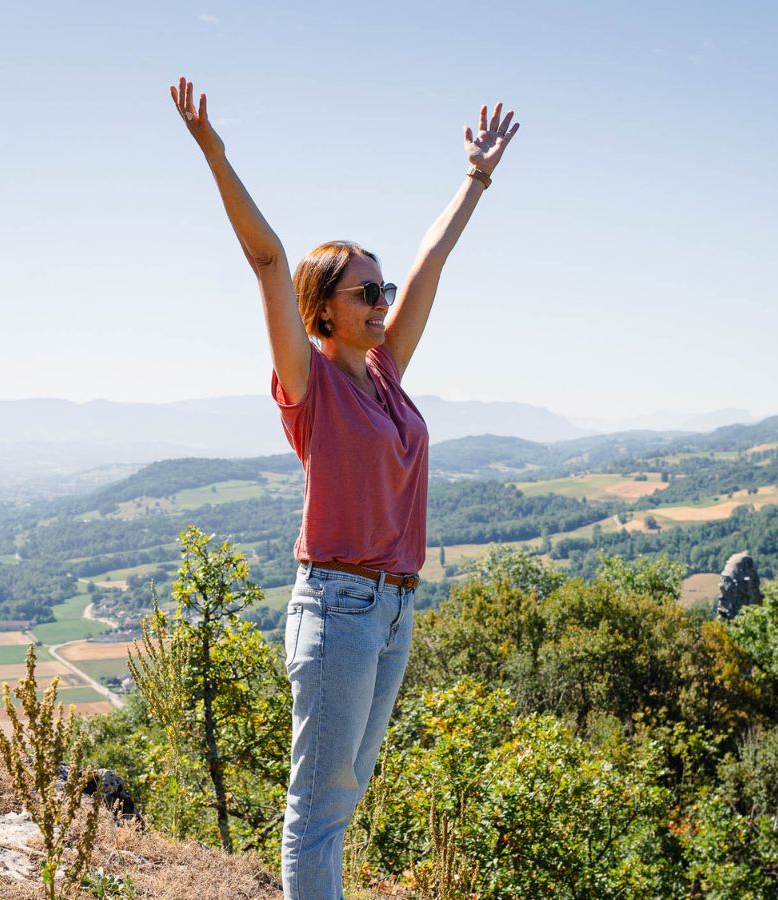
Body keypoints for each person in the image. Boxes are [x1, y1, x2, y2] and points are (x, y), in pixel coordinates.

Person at [169, 76, 520, 900]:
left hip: (394, 606)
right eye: (366, 291)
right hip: (336, 609)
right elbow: (265, 258)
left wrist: (476, 177)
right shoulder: (310, 382)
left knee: (343, 798)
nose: (382, 300)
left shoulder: (386, 372)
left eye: (381, 290)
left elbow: (434, 260)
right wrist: (216, 155)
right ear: (322, 310)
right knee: (317, 809)